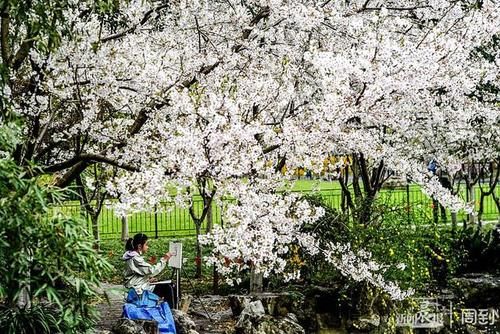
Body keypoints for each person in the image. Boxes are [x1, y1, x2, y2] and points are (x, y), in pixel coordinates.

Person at [122, 233, 176, 306]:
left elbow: (135, 275)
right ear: (139, 246)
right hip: (138, 290)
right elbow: (152, 271)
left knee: (168, 286)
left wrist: (146, 279)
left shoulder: (131, 256)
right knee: (169, 288)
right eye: (146, 244)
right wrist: (164, 259)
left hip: (136, 286)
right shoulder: (135, 259)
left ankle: (170, 310)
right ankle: (172, 311)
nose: (148, 247)